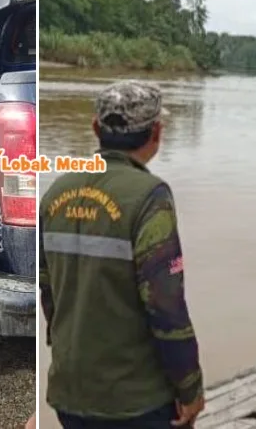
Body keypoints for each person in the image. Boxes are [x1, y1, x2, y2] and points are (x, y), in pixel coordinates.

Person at [39, 80, 205, 428]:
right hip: (135, 403)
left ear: (96, 128)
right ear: (156, 132)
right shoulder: (150, 197)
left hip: (70, 393)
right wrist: (189, 388)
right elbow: (166, 306)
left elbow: (48, 292)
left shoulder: (56, 192)